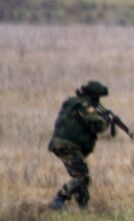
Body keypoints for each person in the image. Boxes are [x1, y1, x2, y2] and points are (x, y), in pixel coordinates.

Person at [48, 80, 117, 210]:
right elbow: (97, 125)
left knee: (83, 176)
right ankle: (60, 198)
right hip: (68, 145)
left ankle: (83, 205)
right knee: (81, 176)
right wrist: (107, 120)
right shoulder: (85, 106)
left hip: (60, 143)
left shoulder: (73, 103)